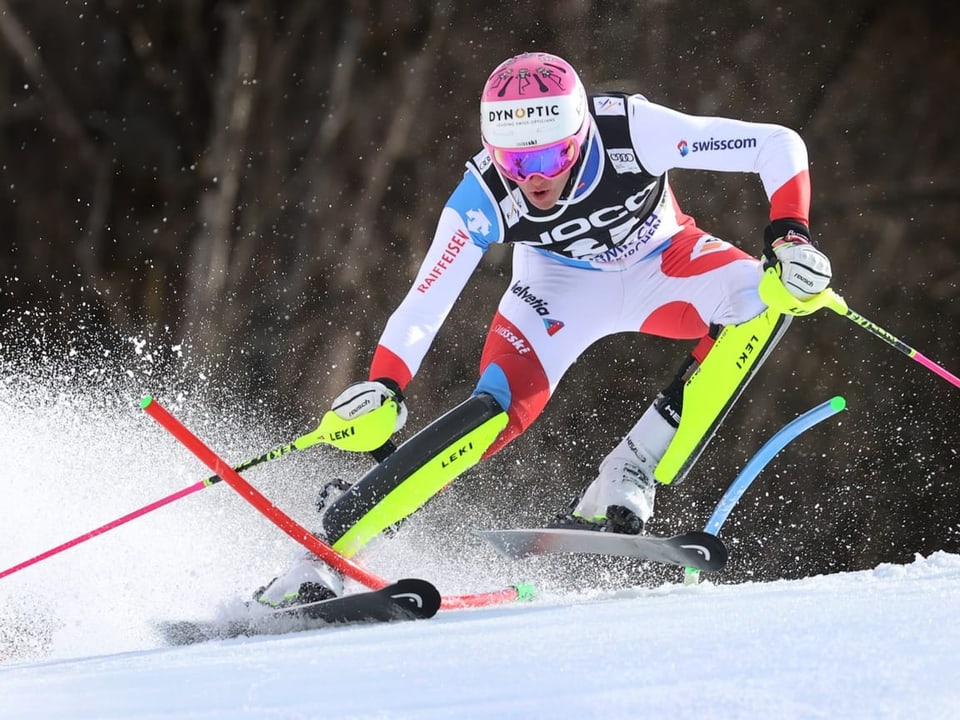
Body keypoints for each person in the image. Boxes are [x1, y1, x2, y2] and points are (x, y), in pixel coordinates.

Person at [253, 51, 832, 607]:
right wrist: (386, 386)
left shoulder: (630, 129)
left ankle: (630, 470)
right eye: (514, 163)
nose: (533, 179)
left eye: (549, 159)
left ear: (579, 136)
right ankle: (323, 554)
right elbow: (424, 304)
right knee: (493, 415)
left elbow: (778, 145)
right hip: (560, 288)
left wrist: (790, 237)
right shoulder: (481, 195)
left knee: (771, 298)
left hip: (665, 263)